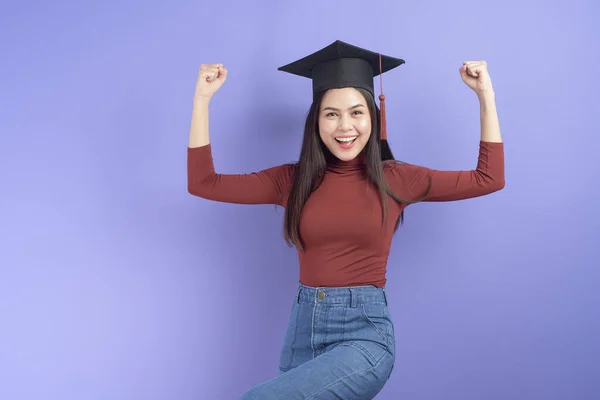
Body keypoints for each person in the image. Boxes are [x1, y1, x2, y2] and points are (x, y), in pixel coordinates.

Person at [187, 40, 504, 399]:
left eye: (356, 113)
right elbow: (203, 183)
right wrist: (202, 100)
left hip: (364, 336)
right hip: (302, 332)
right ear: (316, 121)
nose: (345, 126)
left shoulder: (396, 179)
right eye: (331, 114)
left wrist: (485, 95)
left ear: (373, 117)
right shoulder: (292, 180)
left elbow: (488, 178)